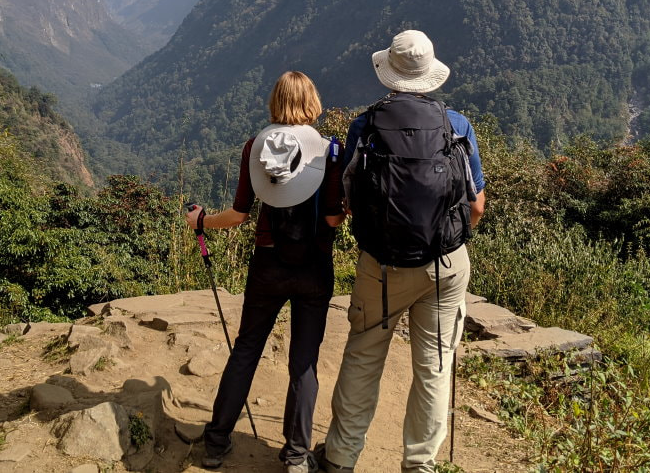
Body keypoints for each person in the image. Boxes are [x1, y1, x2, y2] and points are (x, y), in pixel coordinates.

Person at [319, 30, 486, 473]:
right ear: (431, 75)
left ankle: (339, 459)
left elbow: (346, 201)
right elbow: (477, 205)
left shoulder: (366, 125)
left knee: (364, 356)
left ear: (388, 73)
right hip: (445, 264)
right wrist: (446, 237)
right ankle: (420, 465)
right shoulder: (458, 125)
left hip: (382, 266)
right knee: (433, 369)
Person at [186, 70, 345, 473]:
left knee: (246, 348)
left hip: (267, 264)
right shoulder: (329, 151)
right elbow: (331, 221)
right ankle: (295, 456)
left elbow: (240, 214)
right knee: (304, 361)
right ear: (312, 102)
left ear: (275, 102)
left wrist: (202, 222)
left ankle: (216, 442)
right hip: (314, 268)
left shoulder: (254, 147)